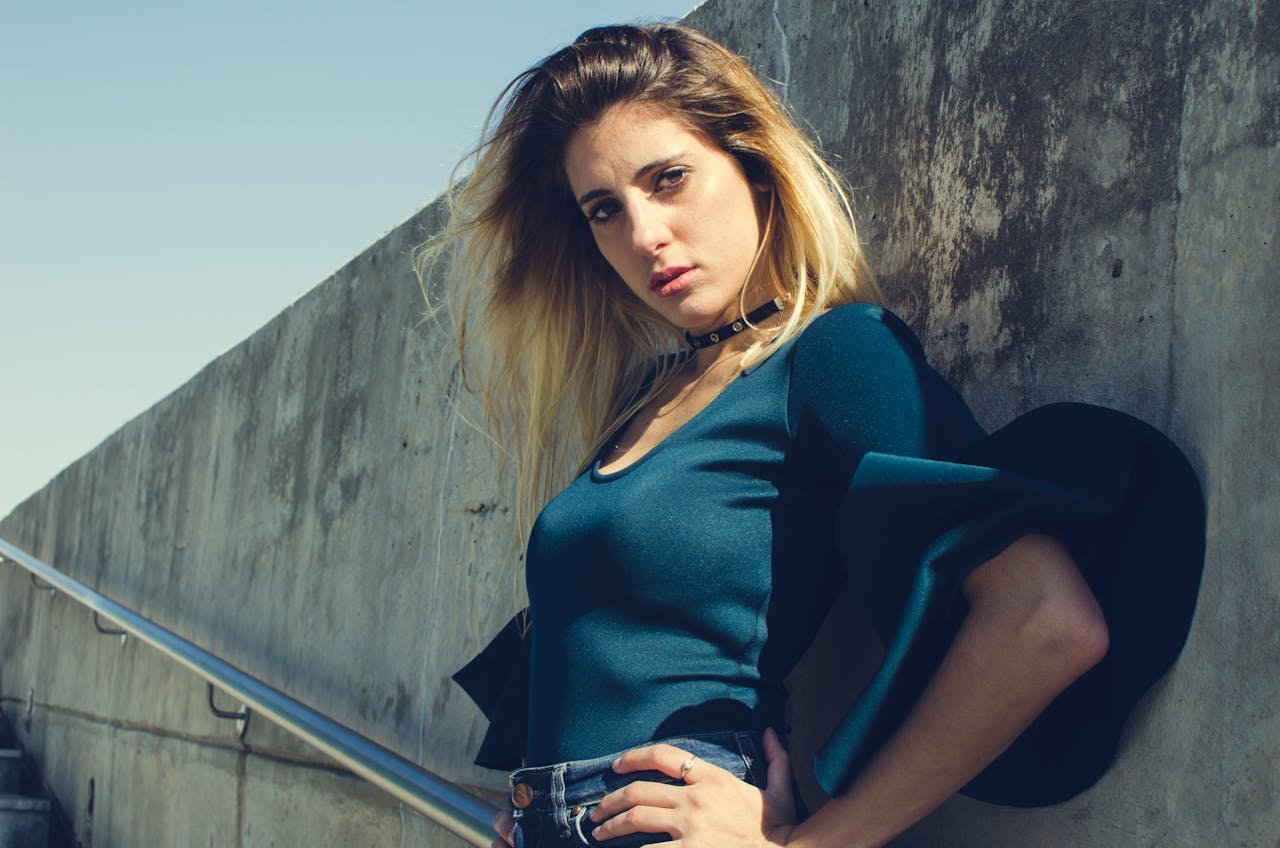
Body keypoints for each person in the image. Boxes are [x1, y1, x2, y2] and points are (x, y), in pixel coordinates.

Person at [423, 23, 1205, 848]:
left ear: (755, 168)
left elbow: (1044, 621)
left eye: (670, 179)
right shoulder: (645, 396)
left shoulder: (834, 355)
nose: (644, 235)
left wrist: (815, 845)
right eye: (604, 210)